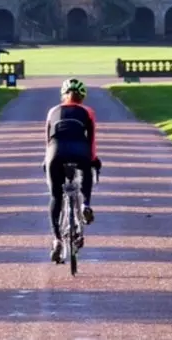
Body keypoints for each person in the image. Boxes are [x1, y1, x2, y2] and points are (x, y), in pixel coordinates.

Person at [44, 77, 101, 263]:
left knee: (55, 197)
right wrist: (93, 160)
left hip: (55, 152)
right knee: (85, 174)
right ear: (82, 96)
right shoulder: (88, 111)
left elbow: (48, 140)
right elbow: (91, 140)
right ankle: (85, 205)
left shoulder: (53, 111)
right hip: (80, 150)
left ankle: (57, 240)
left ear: (63, 95)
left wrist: (47, 162)